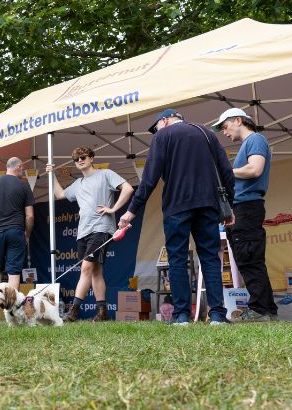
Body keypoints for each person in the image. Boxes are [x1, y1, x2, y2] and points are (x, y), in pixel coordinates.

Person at [118, 109, 233, 325]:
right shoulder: (207, 133)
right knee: (210, 257)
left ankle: (181, 316)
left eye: (155, 129)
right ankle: (217, 314)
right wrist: (231, 207)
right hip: (208, 204)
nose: (155, 133)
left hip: (176, 206)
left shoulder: (163, 136)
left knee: (177, 259)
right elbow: (226, 170)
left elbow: (149, 179)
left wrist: (131, 211)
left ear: (165, 120)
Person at [46, 146, 134, 322]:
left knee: (86, 267)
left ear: (92, 158)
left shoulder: (105, 174)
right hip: (83, 232)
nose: (80, 160)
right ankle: (103, 313)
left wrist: (113, 209)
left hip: (101, 228)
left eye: (83, 157)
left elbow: (128, 188)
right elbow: (60, 194)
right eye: (76, 159)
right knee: (95, 271)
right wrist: (52, 174)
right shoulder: (78, 184)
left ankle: (73, 311)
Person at [213, 108, 278, 322]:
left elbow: (255, 170)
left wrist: (226, 172)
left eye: (225, 126)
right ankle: (267, 309)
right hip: (242, 208)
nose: (224, 132)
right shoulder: (248, 145)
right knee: (248, 259)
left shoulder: (256, 140)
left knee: (249, 259)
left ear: (238, 120)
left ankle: (259, 310)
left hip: (247, 207)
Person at [0, 157, 35, 321]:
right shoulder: (24, 186)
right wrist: (27, 234)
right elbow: (30, 215)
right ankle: (11, 311)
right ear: (19, 167)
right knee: (13, 272)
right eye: (22, 168)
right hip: (16, 232)